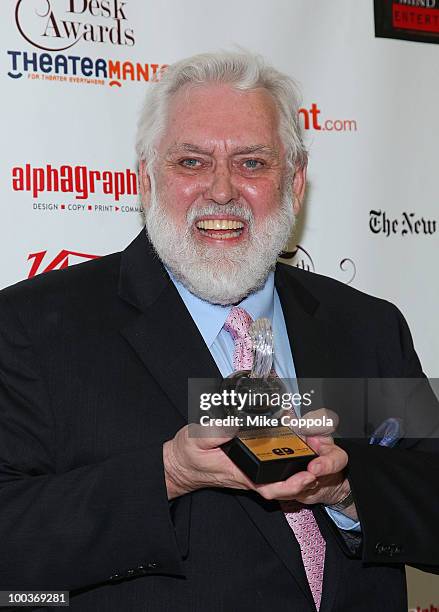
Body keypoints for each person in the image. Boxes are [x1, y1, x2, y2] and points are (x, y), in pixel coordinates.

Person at [0, 51, 437, 611]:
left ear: (296, 182)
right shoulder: (34, 328)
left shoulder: (369, 326)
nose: (223, 191)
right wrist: (168, 473)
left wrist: (347, 490)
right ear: (146, 179)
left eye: (253, 162)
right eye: (191, 162)